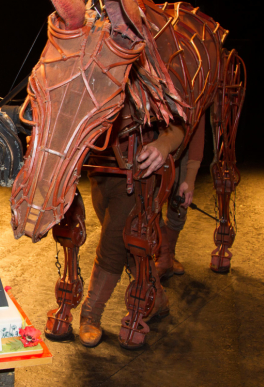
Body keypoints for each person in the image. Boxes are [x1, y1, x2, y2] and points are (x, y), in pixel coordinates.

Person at [78, 104, 185, 348]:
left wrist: (164, 143)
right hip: (99, 168)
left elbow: (181, 121)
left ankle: (91, 312)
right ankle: (156, 298)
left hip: (135, 170)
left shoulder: (149, 71)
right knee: (128, 243)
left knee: (112, 243)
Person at [155, 113, 206, 279]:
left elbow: (198, 132)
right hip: (153, 141)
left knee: (179, 206)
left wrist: (190, 179)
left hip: (183, 145)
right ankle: (163, 256)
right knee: (150, 204)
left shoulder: (193, 89)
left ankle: (169, 254)